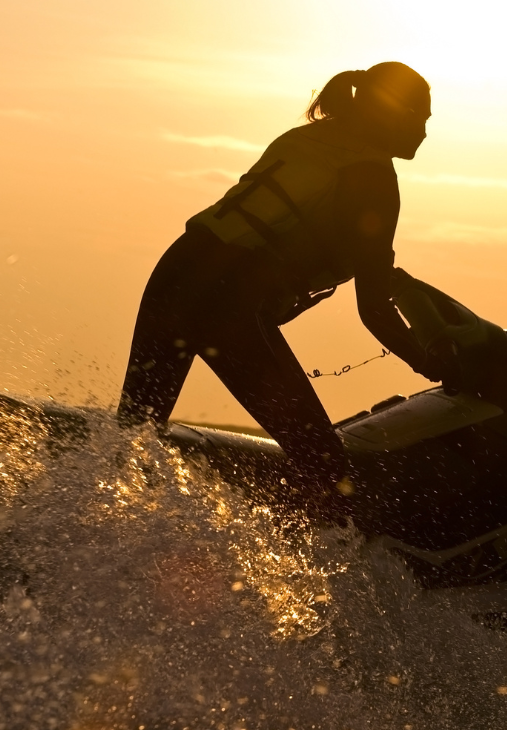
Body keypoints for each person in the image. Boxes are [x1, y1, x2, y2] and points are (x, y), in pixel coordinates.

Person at [117, 61, 443, 502]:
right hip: (225, 303)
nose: (424, 132)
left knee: (134, 433)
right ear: (390, 114)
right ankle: (300, 555)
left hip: (174, 273)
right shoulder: (372, 178)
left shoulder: (309, 139)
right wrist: (437, 367)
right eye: (417, 118)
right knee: (327, 470)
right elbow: (374, 309)